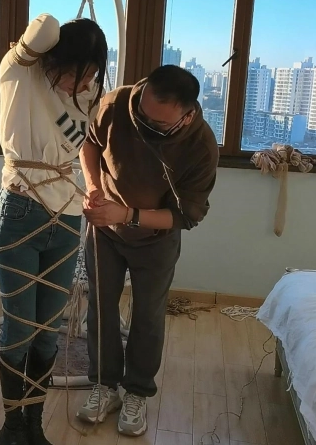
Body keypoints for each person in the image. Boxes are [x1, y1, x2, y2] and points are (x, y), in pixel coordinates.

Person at [75, 65, 219, 436]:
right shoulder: (117, 103)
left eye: (159, 124)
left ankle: (137, 391)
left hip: (156, 240)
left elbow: (185, 216)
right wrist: (94, 187)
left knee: (148, 316)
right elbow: (90, 145)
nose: (146, 125)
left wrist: (127, 214)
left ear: (186, 116)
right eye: (143, 114)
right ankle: (104, 385)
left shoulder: (201, 145)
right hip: (104, 230)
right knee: (101, 307)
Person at [0, 13, 108, 445]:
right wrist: (60, 44)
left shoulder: (88, 96)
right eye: (76, 72)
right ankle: (11, 425)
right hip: (20, 211)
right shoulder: (20, 73)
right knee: (19, 332)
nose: (83, 82)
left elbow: (89, 147)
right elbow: (44, 25)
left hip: (68, 218)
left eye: (91, 74)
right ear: (52, 58)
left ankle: (33, 422)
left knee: (46, 335)